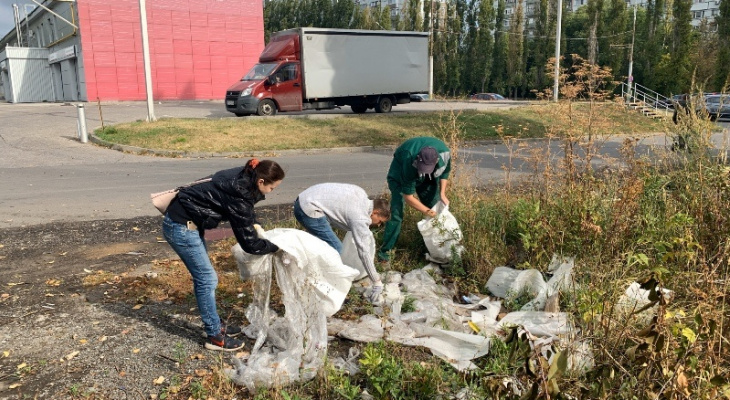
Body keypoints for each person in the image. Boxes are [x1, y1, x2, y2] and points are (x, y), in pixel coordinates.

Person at [162, 159, 285, 351]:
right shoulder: (239, 194)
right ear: (260, 182)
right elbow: (250, 244)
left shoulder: (245, 176)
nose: (272, 192)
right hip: (181, 228)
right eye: (272, 188)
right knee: (207, 279)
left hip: (187, 223)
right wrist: (275, 248)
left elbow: (246, 214)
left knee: (204, 278)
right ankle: (214, 337)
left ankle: (214, 325)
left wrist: (255, 225)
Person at [293, 183, 390, 303]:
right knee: (336, 250)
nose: (378, 224)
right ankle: (329, 292)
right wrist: (376, 281)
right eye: (379, 221)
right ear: (374, 212)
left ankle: (307, 278)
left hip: (304, 198)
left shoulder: (361, 193)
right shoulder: (360, 217)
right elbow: (364, 252)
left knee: (322, 247)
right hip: (308, 209)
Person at [378, 137, 451, 263]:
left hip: (429, 177)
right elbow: (408, 197)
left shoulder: (444, 153)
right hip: (400, 175)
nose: (424, 170)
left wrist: (442, 193)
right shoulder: (409, 159)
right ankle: (385, 253)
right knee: (396, 212)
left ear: (437, 160)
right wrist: (428, 212)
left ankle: (436, 250)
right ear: (418, 159)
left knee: (435, 205)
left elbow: (444, 173)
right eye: (423, 167)